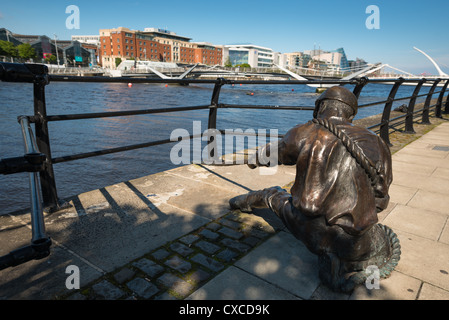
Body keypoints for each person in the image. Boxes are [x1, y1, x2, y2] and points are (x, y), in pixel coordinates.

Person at [229, 86, 400, 292]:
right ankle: (345, 258)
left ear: (320, 107)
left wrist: (254, 159)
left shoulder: (302, 132)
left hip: (312, 231)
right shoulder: (377, 142)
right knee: (372, 236)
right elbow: (381, 200)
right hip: (356, 240)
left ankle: (241, 202)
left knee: (272, 194)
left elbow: (274, 153)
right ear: (351, 114)